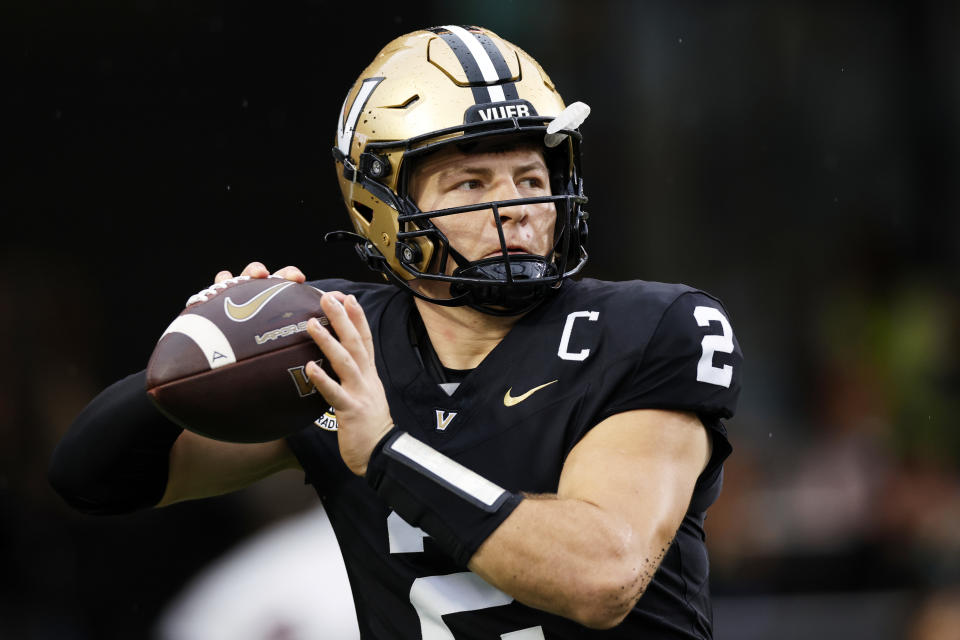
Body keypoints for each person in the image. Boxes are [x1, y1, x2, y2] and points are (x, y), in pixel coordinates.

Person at [49, 25, 742, 639]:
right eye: (471, 185)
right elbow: (93, 479)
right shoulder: (341, 342)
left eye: (531, 176)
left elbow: (602, 576)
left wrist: (385, 450)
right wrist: (193, 362)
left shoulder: (647, 328)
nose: (519, 209)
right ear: (382, 206)